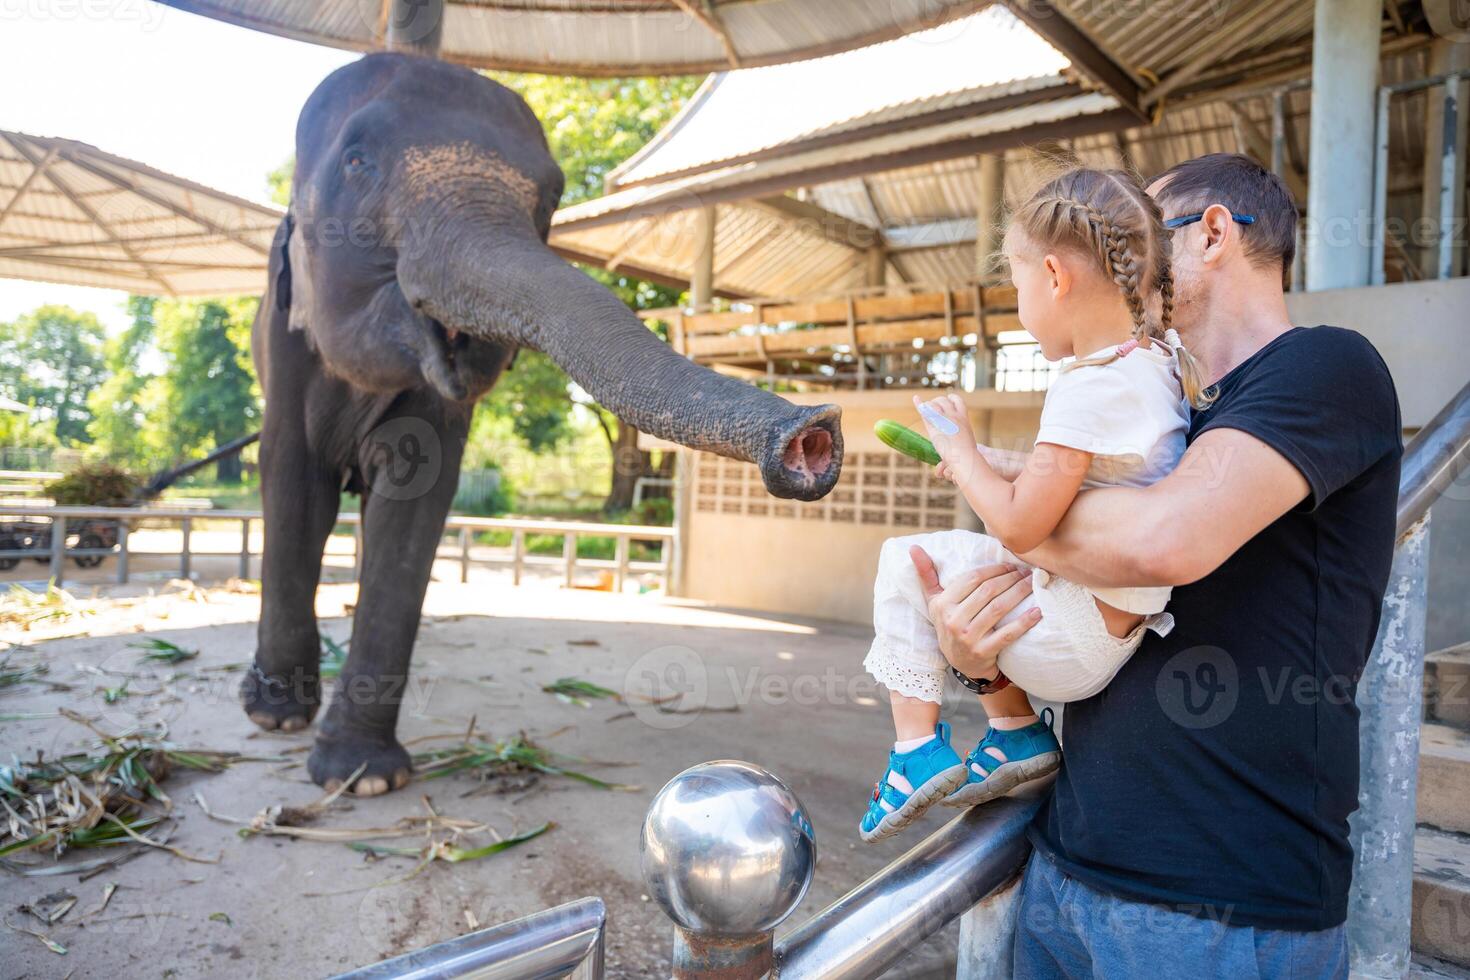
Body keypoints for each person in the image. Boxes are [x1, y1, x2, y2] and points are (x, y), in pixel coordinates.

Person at [917, 153, 1401, 977]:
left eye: (1142, 231)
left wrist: (1013, 506)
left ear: (1213, 234)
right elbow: (1092, 599)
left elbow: (1167, 541)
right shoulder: (1161, 406)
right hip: (1068, 863)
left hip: (1219, 906)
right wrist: (978, 663)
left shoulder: (1324, 368)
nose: (1122, 255)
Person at [859, 167, 1215, 843]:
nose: (1020, 305)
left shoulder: (1085, 386)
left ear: (1054, 277)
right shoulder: (1152, 364)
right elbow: (1075, 478)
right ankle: (1013, 734)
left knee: (902, 560)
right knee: (945, 560)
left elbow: (1023, 525)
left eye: (1018, 287)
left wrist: (963, 453)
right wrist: (984, 466)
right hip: (1106, 625)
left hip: (1068, 636)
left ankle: (913, 753)